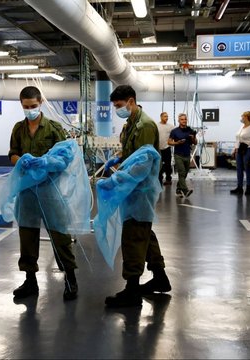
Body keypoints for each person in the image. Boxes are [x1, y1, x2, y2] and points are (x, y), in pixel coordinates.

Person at [8, 86, 78, 301]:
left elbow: (65, 158)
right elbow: (13, 153)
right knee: (27, 235)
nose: (30, 110)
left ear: (40, 103)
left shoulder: (54, 128)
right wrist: (21, 161)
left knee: (59, 235)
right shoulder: (18, 129)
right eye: (26, 107)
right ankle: (30, 280)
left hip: (49, 189)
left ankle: (70, 279)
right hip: (27, 190)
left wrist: (46, 162)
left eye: (33, 106)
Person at [104, 85, 171, 308]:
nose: (118, 110)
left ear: (131, 101)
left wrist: (117, 179)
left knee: (133, 234)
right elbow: (129, 151)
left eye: (120, 106)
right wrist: (117, 157)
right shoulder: (131, 124)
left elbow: (142, 164)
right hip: (132, 187)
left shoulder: (145, 125)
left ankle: (132, 290)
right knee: (144, 231)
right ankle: (160, 278)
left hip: (140, 188)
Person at [168, 113, 197, 198]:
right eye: (182, 119)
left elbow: (195, 142)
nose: (184, 121)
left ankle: (178, 189)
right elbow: (169, 142)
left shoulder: (190, 130)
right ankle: (185, 190)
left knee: (184, 174)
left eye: (185, 119)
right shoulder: (174, 131)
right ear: (179, 121)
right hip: (178, 155)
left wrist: (193, 137)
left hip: (187, 155)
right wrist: (177, 143)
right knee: (181, 172)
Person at [230, 111, 250, 196]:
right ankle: (239, 187)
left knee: (248, 168)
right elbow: (238, 139)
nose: (241, 118)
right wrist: (235, 149)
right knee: (239, 168)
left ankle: (248, 188)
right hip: (240, 149)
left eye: (242, 116)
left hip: (248, 149)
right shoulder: (242, 127)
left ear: (246, 117)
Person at [157, 112, 174, 186]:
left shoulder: (171, 126)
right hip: (158, 149)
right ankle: (159, 180)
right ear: (161, 117)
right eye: (165, 116)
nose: (166, 118)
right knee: (159, 166)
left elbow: (177, 132)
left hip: (167, 148)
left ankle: (168, 179)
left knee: (168, 165)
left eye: (167, 116)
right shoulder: (156, 126)